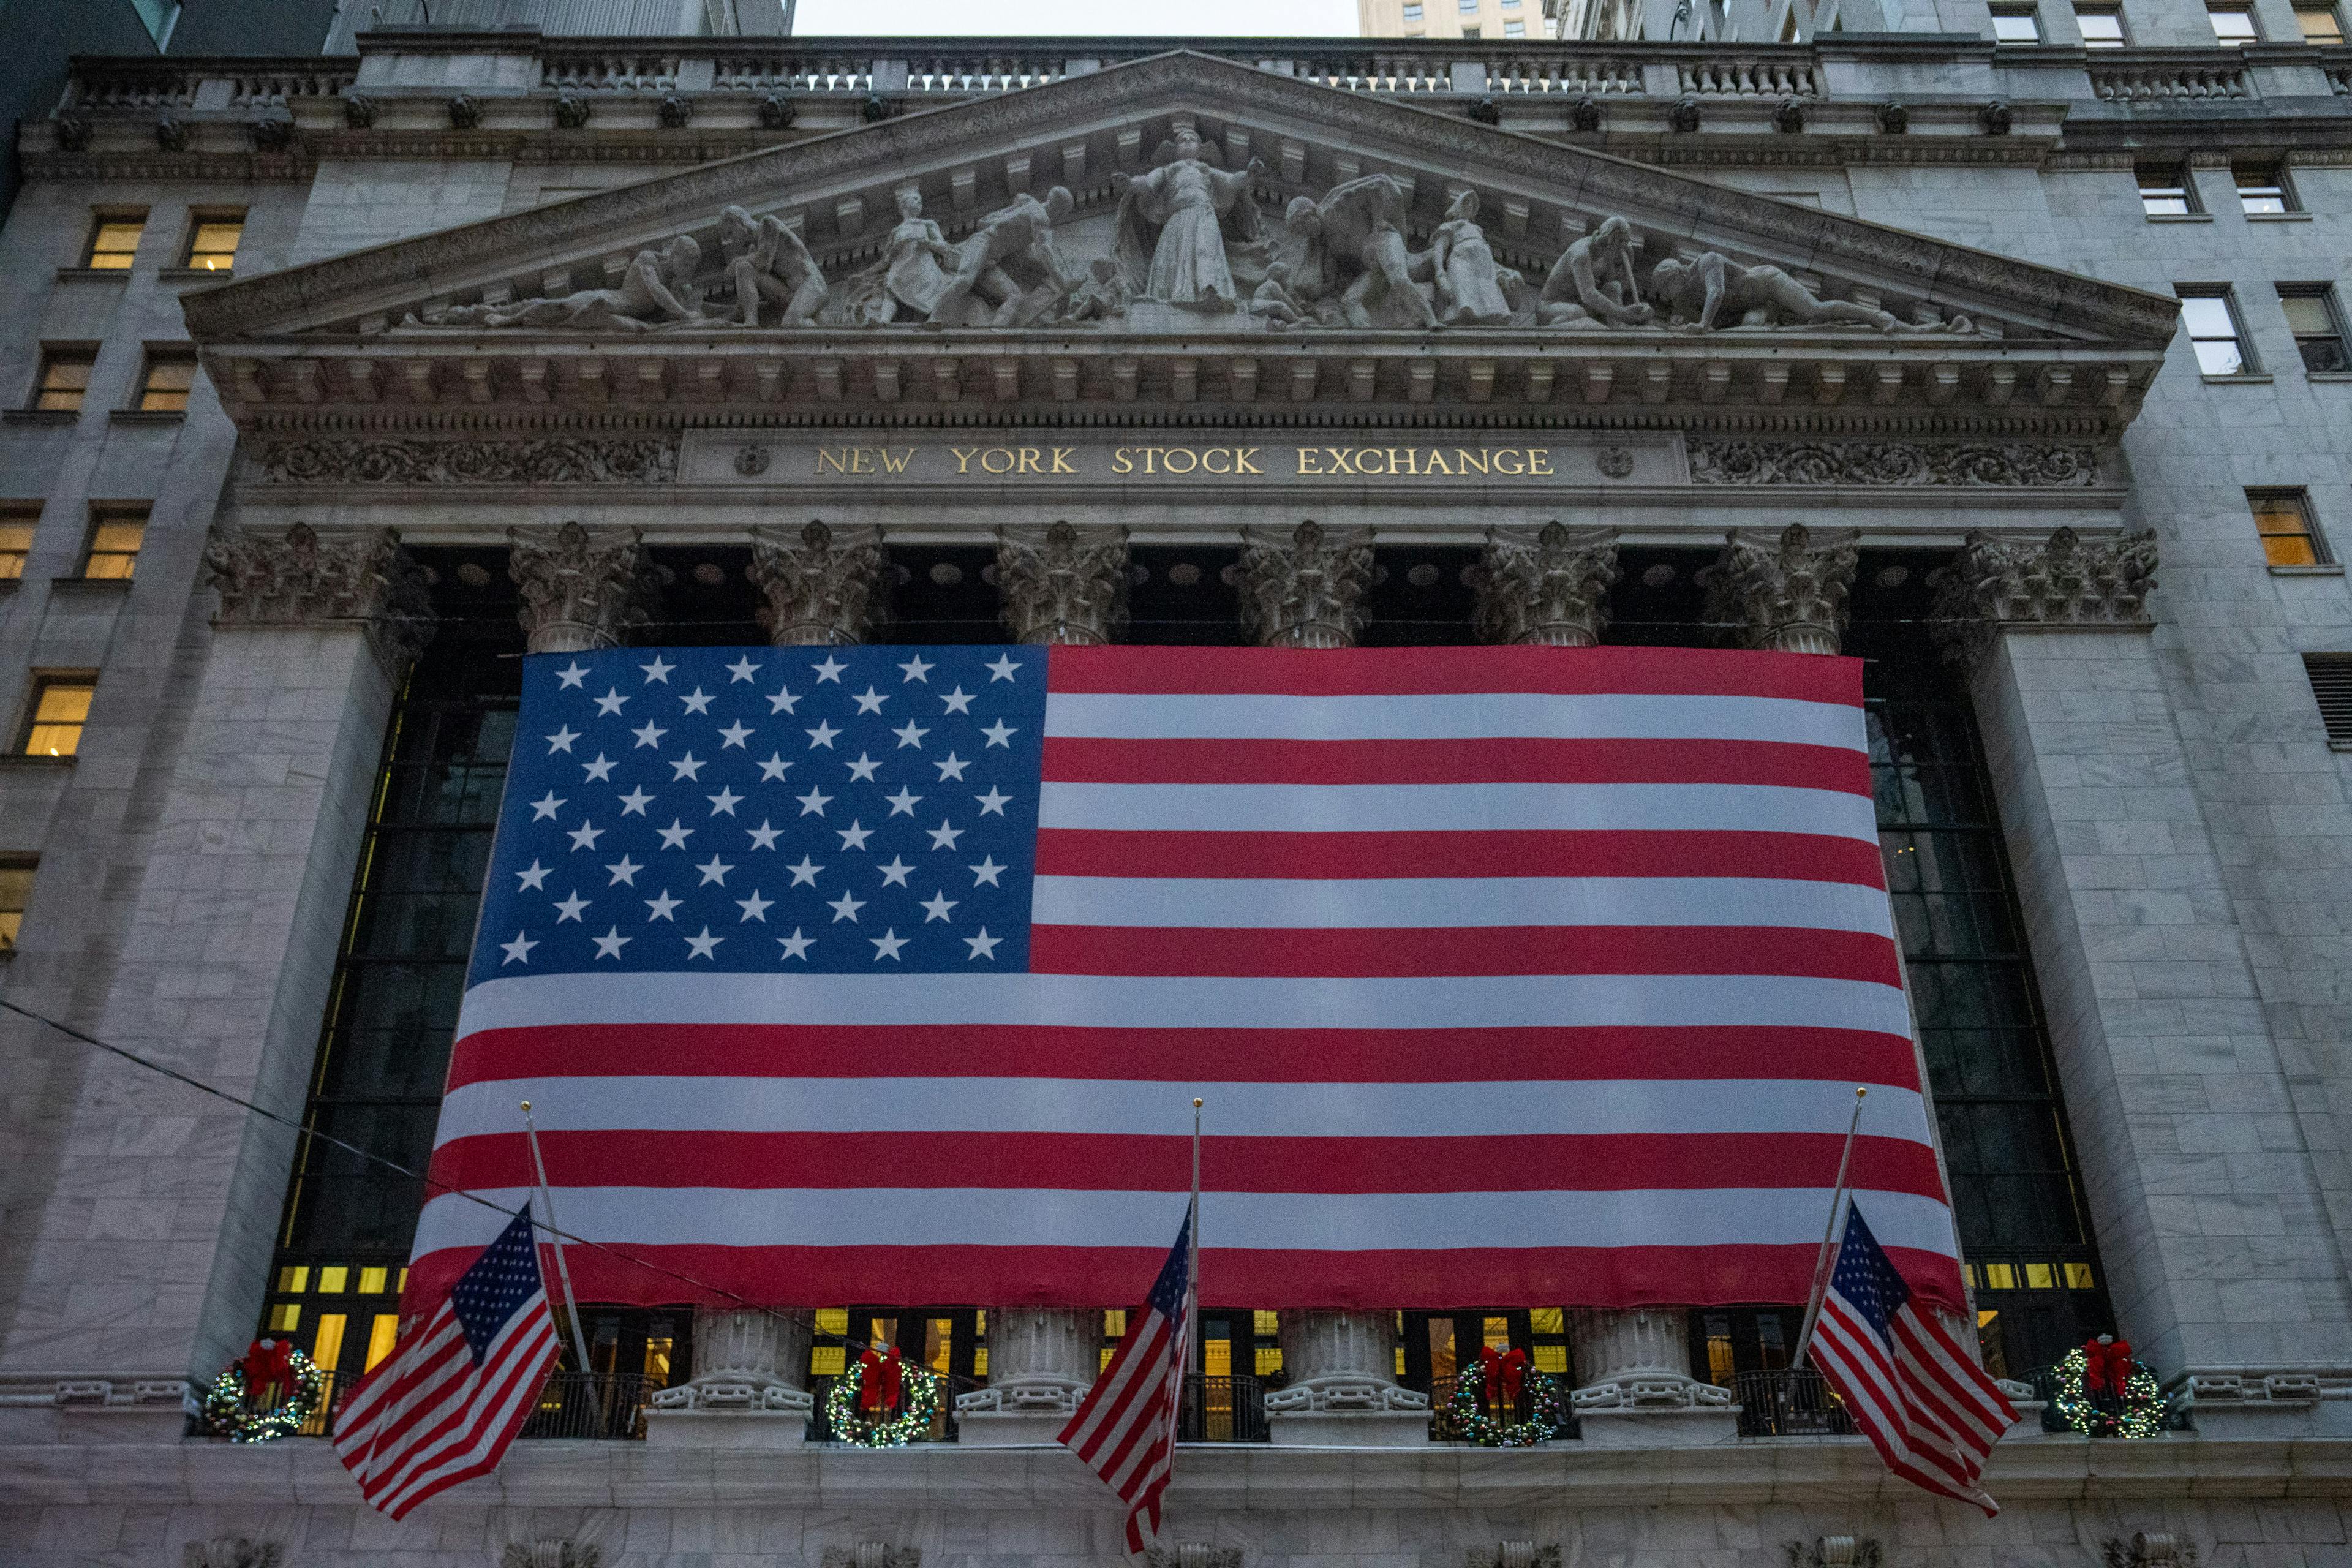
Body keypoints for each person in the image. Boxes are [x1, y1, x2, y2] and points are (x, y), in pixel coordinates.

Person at [1111, 126, 1266, 313]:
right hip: (1177, 217)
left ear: (1201, 150)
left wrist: (1249, 175)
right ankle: (1171, 295)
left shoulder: (1206, 170)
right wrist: (1129, 184)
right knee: (1173, 256)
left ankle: (1209, 289)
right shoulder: (1170, 169)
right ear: (1176, 150)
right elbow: (1148, 183)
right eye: (1183, 140)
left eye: (1192, 139)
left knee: (1205, 250)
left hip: (1203, 215)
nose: (1187, 142)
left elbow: (1230, 181)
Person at [422, 235, 705, 331]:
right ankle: (505, 320)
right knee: (557, 307)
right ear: (676, 254)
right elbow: (655, 292)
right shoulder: (649, 260)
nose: (690, 271)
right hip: (609, 301)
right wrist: (685, 315)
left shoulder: (676, 281)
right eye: (688, 264)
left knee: (552, 308)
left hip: (621, 314)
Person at [1648, 249, 1958, 333]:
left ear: (1674, 273)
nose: (1667, 294)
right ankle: (1914, 330)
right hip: (1757, 310)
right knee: (1819, 325)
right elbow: (1684, 317)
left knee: (1815, 311)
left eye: (1665, 286)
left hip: (1768, 283)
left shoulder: (1707, 261)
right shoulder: (1683, 297)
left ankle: (1877, 317)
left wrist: (1702, 325)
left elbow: (1716, 294)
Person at [1284, 174, 1439, 331]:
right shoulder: (1327, 246)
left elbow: (1378, 185)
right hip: (1373, 268)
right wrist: (1308, 298)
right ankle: (1370, 342)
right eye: (1302, 233)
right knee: (1349, 302)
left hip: (1382, 241)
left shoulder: (1339, 205)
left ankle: (1433, 322)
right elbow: (1330, 282)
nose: (1307, 234)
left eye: (1304, 227)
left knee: (1399, 280)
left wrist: (1379, 221)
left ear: (1311, 212)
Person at [927, 186, 1081, 328]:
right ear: (1059, 209)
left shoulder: (1028, 206)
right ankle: (934, 319)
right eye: (1063, 213)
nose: (1060, 217)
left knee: (1014, 296)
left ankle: (995, 334)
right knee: (964, 281)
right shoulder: (1041, 217)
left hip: (991, 263)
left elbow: (1015, 204)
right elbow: (1044, 251)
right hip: (981, 244)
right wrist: (1063, 282)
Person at [851, 183, 960, 325]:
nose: (919, 202)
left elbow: (943, 247)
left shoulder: (928, 224)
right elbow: (885, 262)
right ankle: (884, 321)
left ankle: (931, 319)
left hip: (923, 267)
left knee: (931, 291)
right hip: (900, 267)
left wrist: (927, 244)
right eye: (914, 198)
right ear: (903, 204)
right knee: (891, 291)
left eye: (920, 200)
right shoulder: (896, 232)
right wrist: (864, 275)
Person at [1536, 215, 1654, 328]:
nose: (1624, 249)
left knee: (1614, 286)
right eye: (1621, 243)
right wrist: (1625, 314)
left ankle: (1617, 331)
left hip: (1580, 304)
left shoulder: (1606, 255)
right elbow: (1589, 295)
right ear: (1611, 240)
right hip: (1551, 307)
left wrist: (1637, 312)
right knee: (1577, 314)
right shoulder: (1581, 254)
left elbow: (1612, 290)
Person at [718, 205, 826, 327]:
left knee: (792, 323)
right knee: (744, 268)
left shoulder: (768, 224)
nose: (733, 240)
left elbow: (764, 261)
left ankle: (816, 329)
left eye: (731, 233)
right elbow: (745, 296)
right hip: (790, 294)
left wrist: (735, 262)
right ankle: (751, 323)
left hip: (810, 286)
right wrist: (724, 317)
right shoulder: (753, 250)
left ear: (741, 222)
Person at [1430, 189, 1513, 327]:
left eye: (1473, 205)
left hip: (1484, 269)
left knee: (1488, 303)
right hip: (1462, 261)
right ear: (1458, 206)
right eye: (1467, 203)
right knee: (1465, 301)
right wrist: (1440, 273)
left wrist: (1504, 272)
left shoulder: (1478, 231)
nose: (1470, 206)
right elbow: (1439, 249)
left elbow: (1490, 260)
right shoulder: (1450, 226)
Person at [1249, 261, 1311, 328]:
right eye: (1287, 277)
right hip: (1258, 305)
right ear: (1279, 276)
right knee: (1280, 305)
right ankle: (1298, 321)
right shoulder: (1273, 284)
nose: (1287, 281)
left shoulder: (1267, 285)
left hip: (1258, 308)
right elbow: (1284, 299)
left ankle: (1278, 324)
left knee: (1278, 309)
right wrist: (1296, 310)